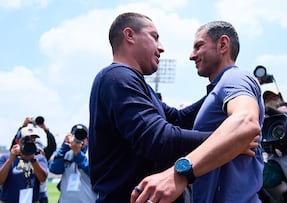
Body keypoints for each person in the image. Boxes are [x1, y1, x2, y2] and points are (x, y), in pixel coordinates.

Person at [131, 20, 264, 203]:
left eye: (199, 46)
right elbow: (176, 119)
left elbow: (246, 121)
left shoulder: (235, 77)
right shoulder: (217, 91)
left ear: (223, 44)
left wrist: (178, 173)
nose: (191, 56)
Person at [88, 12, 215, 203]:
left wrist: (219, 90)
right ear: (129, 35)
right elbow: (158, 139)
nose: (161, 48)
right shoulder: (117, 77)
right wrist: (228, 140)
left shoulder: (136, 83)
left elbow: (178, 118)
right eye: (154, 37)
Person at [10, 116, 57, 203]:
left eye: (34, 142)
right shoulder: (18, 155)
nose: (31, 147)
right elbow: (14, 146)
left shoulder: (41, 156)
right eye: (28, 142)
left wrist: (45, 129)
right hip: (21, 192)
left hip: (40, 194)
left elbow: (52, 146)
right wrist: (23, 127)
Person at [49, 124, 97, 203]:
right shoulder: (66, 153)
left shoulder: (93, 153)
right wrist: (64, 146)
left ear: (88, 139)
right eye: (76, 135)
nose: (80, 139)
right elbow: (54, 169)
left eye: (83, 136)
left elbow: (95, 173)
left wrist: (78, 154)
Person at [0, 126, 48, 203]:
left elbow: (42, 179)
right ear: (17, 140)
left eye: (33, 140)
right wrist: (11, 159)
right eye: (26, 140)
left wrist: (33, 159)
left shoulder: (39, 158)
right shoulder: (6, 158)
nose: (30, 142)